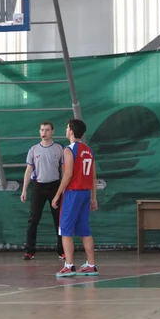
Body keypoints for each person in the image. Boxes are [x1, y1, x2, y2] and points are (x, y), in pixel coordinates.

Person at [51, 119, 98, 278]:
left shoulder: (69, 150)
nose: (65, 130)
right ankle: (91, 265)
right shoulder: (88, 150)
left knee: (65, 230)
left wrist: (57, 194)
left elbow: (68, 175)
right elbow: (93, 176)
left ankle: (69, 265)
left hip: (73, 192)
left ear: (71, 131)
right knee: (85, 230)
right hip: (85, 193)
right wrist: (93, 198)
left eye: (66, 128)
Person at [20, 122, 65, 261]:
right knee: (33, 219)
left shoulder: (59, 149)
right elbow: (29, 170)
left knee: (59, 220)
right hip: (38, 187)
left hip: (55, 187)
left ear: (53, 131)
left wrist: (63, 190)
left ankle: (62, 251)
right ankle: (29, 251)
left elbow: (64, 171)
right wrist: (24, 190)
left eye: (47, 130)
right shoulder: (33, 150)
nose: (44, 132)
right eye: (41, 130)